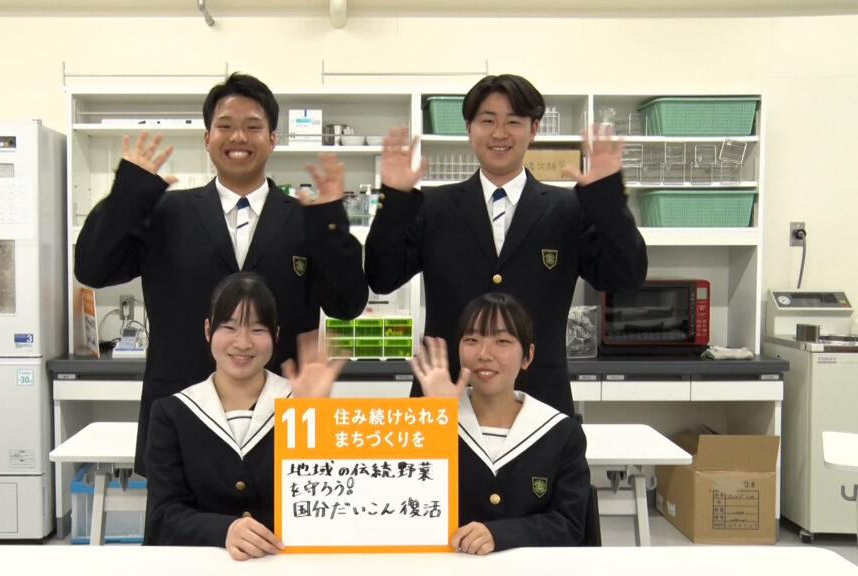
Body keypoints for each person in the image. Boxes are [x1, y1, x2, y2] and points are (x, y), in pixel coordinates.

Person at [74, 73, 368, 475]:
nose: (239, 137)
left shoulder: (306, 220)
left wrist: (333, 224)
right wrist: (127, 193)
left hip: (282, 419)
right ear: (207, 138)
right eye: (225, 126)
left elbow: (347, 304)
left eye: (253, 127)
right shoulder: (165, 213)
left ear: (273, 139)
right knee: (177, 516)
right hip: (181, 419)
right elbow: (92, 267)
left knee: (277, 518)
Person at [366, 74, 647, 416]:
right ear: (469, 129)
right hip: (444, 396)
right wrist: (394, 200)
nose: (499, 133)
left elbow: (625, 277)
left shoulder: (568, 208)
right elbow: (382, 277)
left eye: (513, 121)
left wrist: (608, 199)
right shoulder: (434, 206)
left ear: (534, 129)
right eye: (487, 121)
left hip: (539, 397)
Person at [144, 272, 343, 558]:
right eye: (229, 327)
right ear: (208, 330)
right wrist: (224, 531)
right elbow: (163, 516)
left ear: (275, 335)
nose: (243, 342)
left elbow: (331, 503)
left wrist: (317, 415)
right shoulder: (172, 413)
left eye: (258, 330)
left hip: (284, 564)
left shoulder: (301, 403)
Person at [410, 292, 590, 553]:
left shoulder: (561, 433)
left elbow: (569, 524)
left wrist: (500, 535)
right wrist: (437, 418)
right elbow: (407, 505)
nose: (484, 353)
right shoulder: (425, 423)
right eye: (472, 340)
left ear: (528, 356)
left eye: (502, 341)